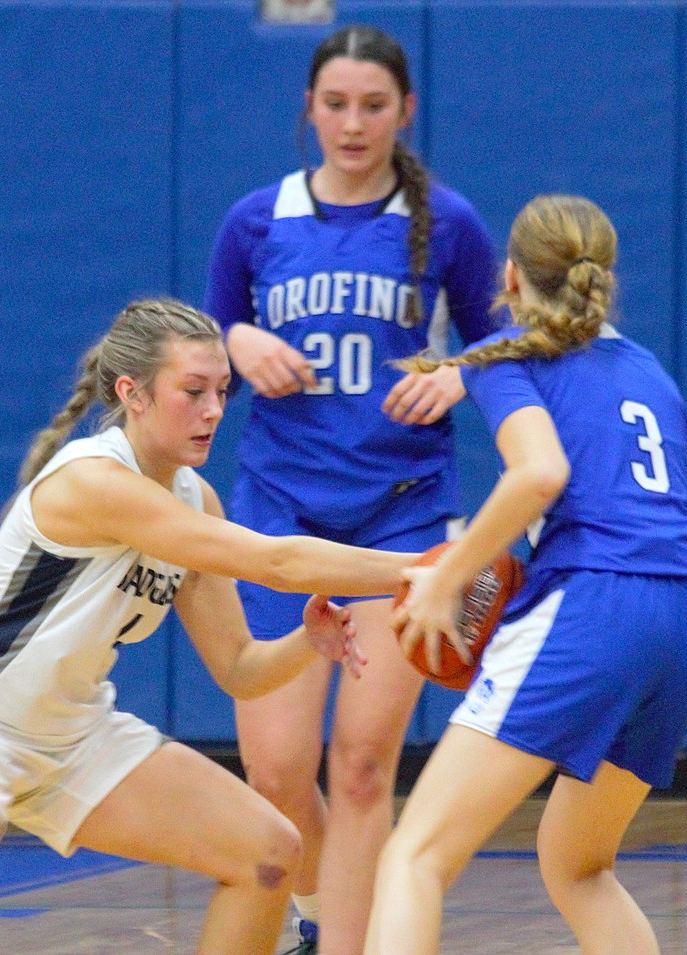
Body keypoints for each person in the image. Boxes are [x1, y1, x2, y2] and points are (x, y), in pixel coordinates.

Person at [0, 297, 420, 955]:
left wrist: (308, 642)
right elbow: (278, 561)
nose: (215, 409)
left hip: (76, 735)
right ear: (132, 394)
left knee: (268, 852)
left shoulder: (196, 496)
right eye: (192, 391)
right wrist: (429, 569)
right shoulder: (96, 482)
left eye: (223, 390)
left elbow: (240, 670)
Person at [364, 194, 687, 954]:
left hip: (598, 600)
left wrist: (446, 576)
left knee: (415, 855)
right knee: (579, 865)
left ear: (509, 275)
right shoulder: (652, 373)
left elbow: (539, 473)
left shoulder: (511, 352)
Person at [202, 23, 498, 954]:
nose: (354, 122)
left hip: (401, 516)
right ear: (309, 109)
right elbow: (205, 341)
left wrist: (461, 373)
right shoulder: (257, 221)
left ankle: (346, 943)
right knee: (276, 769)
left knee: (364, 765)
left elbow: (508, 343)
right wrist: (236, 344)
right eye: (336, 103)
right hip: (278, 517)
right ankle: (323, 915)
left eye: (374, 105)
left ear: (405, 111)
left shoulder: (448, 223)